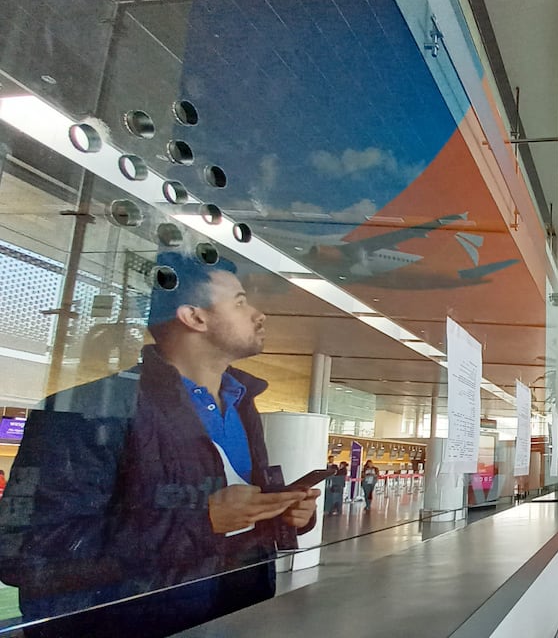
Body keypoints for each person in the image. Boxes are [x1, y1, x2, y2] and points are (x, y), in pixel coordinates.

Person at [0, 251, 319, 637]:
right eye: (239, 303)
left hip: (233, 617)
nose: (258, 314)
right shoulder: (86, 412)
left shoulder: (242, 404)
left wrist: (281, 515)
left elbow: (230, 530)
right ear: (194, 317)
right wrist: (202, 520)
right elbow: (26, 553)